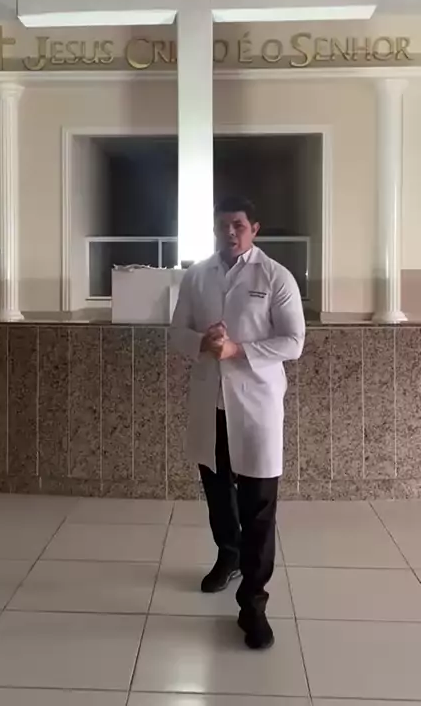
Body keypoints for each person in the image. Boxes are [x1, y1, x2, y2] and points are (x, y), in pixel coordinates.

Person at [171, 196, 305, 650]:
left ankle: (253, 603)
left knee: (259, 507)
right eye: (223, 225)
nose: (230, 232)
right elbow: (175, 333)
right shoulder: (197, 275)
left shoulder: (275, 276)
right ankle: (228, 555)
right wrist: (202, 341)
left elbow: (293, 341)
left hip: (256, 405)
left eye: (239, 225)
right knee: (217, 490)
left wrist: (238, 350)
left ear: (255, 228)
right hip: (211, 403)